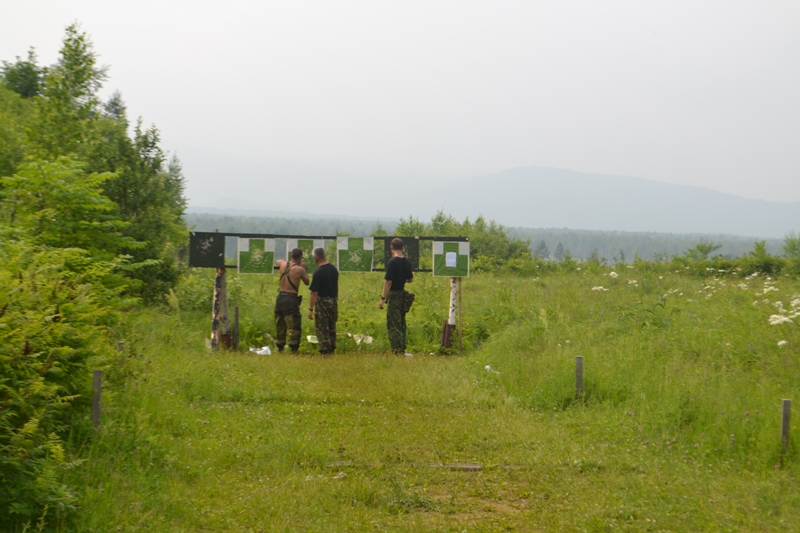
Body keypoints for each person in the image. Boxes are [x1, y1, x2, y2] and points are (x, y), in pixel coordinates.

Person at [378, 238, 414, 354]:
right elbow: (410, 279)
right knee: (401, 322)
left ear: (391, 248)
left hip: (393, 295)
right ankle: (402, 347)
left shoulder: (392, 263)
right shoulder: (407, 262)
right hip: (403, 295)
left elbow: (388, 282)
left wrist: (383, 299)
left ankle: (397, 350)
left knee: (393, 324)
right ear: (403, 248)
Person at [274, 248, 309, 353]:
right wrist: (303, 268)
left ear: (291, 255)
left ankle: (280, 346)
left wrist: (285, 261)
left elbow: (278, 261)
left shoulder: (283, 264)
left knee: (280, 322)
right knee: (293, 323)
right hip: (291, 297)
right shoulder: (300, 269)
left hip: (280, 297)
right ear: (300, 257)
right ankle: (294, 348)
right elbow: (307, 282)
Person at [307, 247, 339, 355]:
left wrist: (310, 309)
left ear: (315, 258)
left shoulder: (318, 273)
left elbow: (314, 292)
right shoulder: (334, 269)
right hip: (334, 300)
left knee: (322, 326)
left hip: (322, 302)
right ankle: (332, 347)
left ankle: (325, 350)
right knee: (332, 325)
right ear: (325, 255)